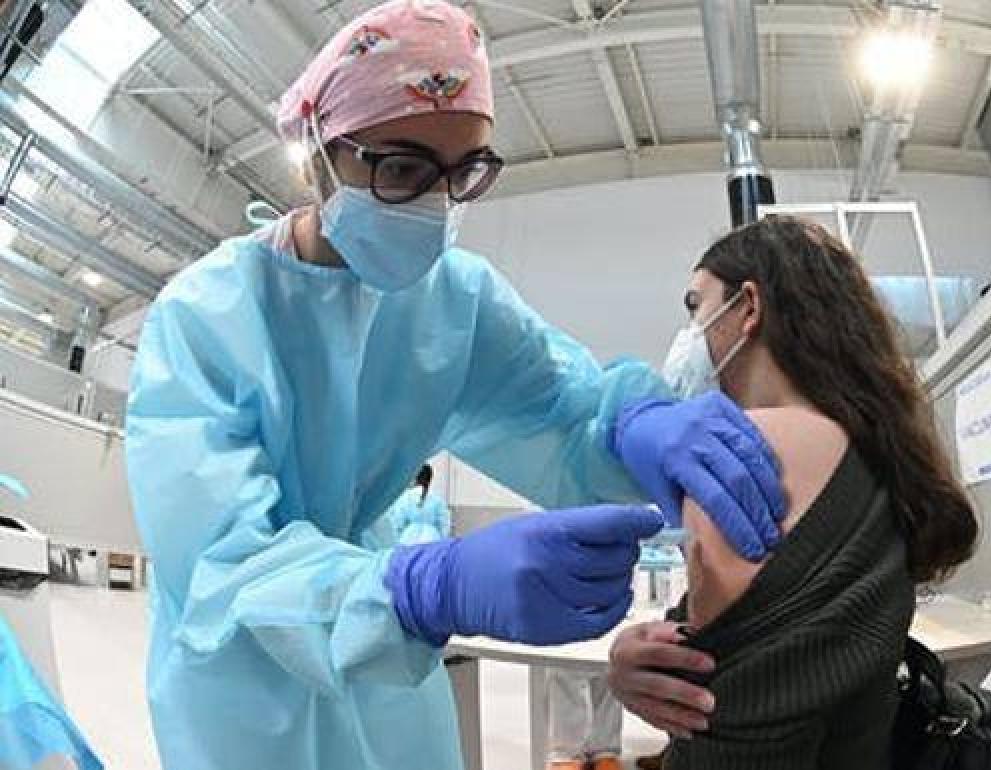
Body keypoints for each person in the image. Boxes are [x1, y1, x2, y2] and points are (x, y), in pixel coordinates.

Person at [123, 4, 785, 770]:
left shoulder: (455, 299)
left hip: (386, 678)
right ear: (317, 156)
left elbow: (560, 411)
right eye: (402, 168)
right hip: (242, 686)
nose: (436, 206)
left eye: (463, 171)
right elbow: (223, 567)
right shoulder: (204, 318)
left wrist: (629, 426)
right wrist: (422, 589)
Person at [607, 216, 979, 769]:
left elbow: (723, 729)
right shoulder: (875, 451)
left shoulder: (742, 454)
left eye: (695, 305)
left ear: (748, 308)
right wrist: (648, 656)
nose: (689, 331)